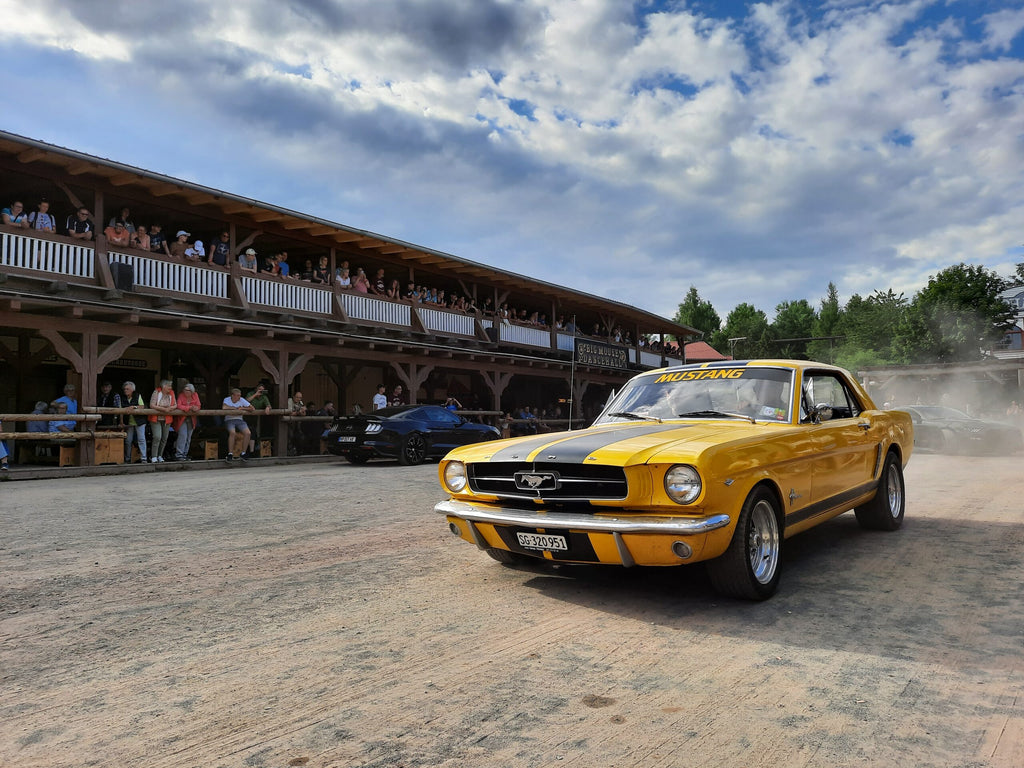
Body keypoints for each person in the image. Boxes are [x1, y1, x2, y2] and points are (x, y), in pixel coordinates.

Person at [222, 388, 255, 461]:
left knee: (248, 433)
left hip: (239, 419)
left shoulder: (242, 400)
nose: (239, 397)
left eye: (239, 395)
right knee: (232, 433)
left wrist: (242, 408)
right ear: (233, 395)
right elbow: (224, 407)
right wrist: (234, 408)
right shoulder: (227, 399)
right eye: (237, 396)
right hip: (229, 419)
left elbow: (252, 408)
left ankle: (243, 453)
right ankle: (230, 454)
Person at [148, 380, 176, 462]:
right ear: (163, 387)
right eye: (168, 386)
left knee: (164, 438)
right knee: (157, 437)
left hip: (167, 419)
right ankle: (153, 456)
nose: (170, 388)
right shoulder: (156, 392)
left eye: (170, 386)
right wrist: (164, 409)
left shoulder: (172, 393)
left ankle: (160, 456)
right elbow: (152, 405)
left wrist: (171, 408)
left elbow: (175, 404)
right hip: (156, 418)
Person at [119, 381, 147, 463]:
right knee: (128, 441)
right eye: (124, 389)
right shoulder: (122, 398)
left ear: (132, 390)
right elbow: (121, 411)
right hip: (129, 422)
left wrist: (134, 407)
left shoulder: (137, 396)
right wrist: (121, 422)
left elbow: (142, 406)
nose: (125, 390)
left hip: (140, 421)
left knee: (141, 439)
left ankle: (144, 458)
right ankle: (127, 459)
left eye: (127, 389)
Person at [173, 383, 202, 461]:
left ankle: (184, 454)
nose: (186, 392)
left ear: (192, 391)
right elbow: (178, 405)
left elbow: (198, 405)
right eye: (185, 390)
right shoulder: (181, 395)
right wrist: (189, 408)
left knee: (188, 437)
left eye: (188, 391)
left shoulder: (195, 395)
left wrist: (196, 408)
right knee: (183, 436)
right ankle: (179, 454)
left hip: (192, 419)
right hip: (182, 419)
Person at [245, 383, 272, 454]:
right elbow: (246, 401)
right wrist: (255, 395)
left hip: (255, 416)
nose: (261, 391)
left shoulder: (264, 397)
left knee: (253, 431)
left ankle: (252, 451)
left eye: (262, 390)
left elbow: (269, 405)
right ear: (256, 389)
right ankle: (248, 450)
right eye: (259, 390)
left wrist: (267, 407)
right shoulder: (251, 393)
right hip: (246, 416)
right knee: (248, 431)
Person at [287, 390, 307, 455]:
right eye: (297, 397)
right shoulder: (290, 401)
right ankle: (289, 452)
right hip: (288, 423)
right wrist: (298, 412)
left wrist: (303, 411)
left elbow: (304, 414)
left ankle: (298, 451)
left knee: (300, 436)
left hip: (297, 424)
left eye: (300, 398)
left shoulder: (300, 402)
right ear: (293, 397)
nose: (298, 399)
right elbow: (289, 413)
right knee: (290, 436)